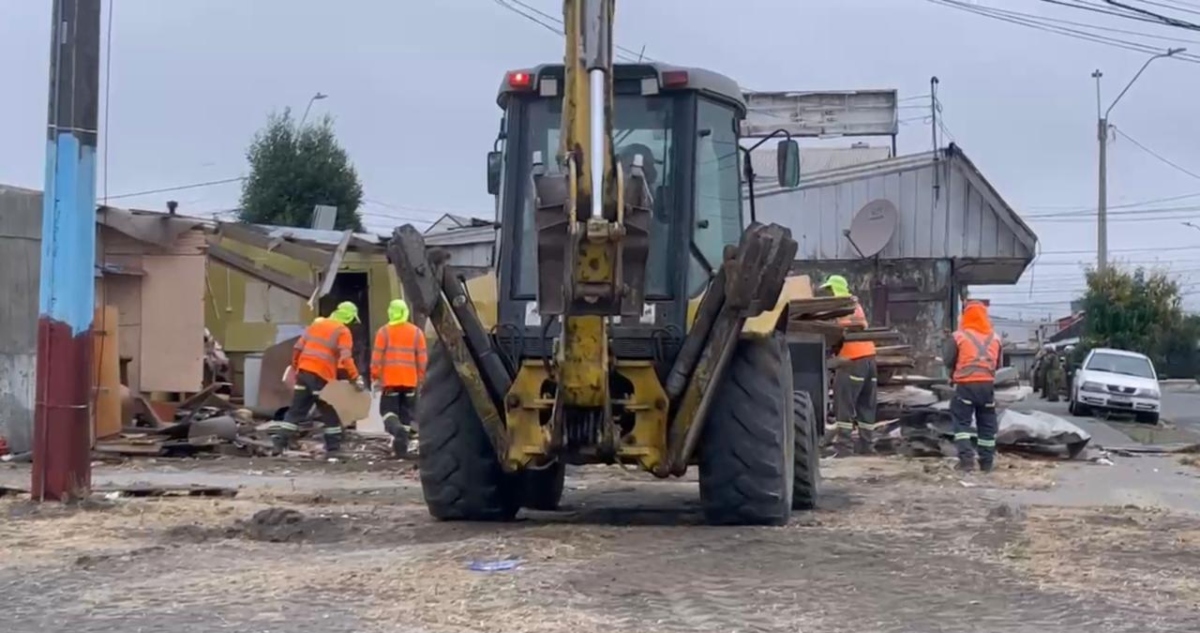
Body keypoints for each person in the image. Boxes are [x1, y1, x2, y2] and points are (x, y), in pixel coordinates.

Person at [271, 301, 364, 454]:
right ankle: (333, 449)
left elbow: (297, 348)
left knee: (296, 412)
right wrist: (356, 377)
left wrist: (296, 367)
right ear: (349, 318)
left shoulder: (316, 325)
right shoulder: (342, 331)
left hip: (304, 372)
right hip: (321, 375)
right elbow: (346, 358)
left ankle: (279, 442)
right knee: (330, 412)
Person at [821, 274, 879, 456]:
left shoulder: (839, 306)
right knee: (866, 405)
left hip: (852, 360)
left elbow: (833, 333)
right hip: (869, 358)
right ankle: (866, 447)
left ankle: (845, 448)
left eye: (829, 289)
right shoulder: (856, 305)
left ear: (835, 289)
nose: (827, 294)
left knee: (844, 405)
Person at [943, 300, 1002, 472]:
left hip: (966, 386)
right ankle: (986, 462)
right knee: (987, 425)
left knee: (961, 424)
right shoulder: (995, 338)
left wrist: (953, 374)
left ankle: (967, 461)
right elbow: (998, 364)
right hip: (987, 387)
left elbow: (948, 361)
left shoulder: (959, 337)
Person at [370, 299, 428, 457]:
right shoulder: (416, 332)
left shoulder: (384, 332)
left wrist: (375, 376)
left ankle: (397, 431)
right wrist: (421, 379)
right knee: (406, 415)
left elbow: (376, 357)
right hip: (410, 382)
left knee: (388, 412)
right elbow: (422, 358)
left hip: (390, 382)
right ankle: (401, 451)